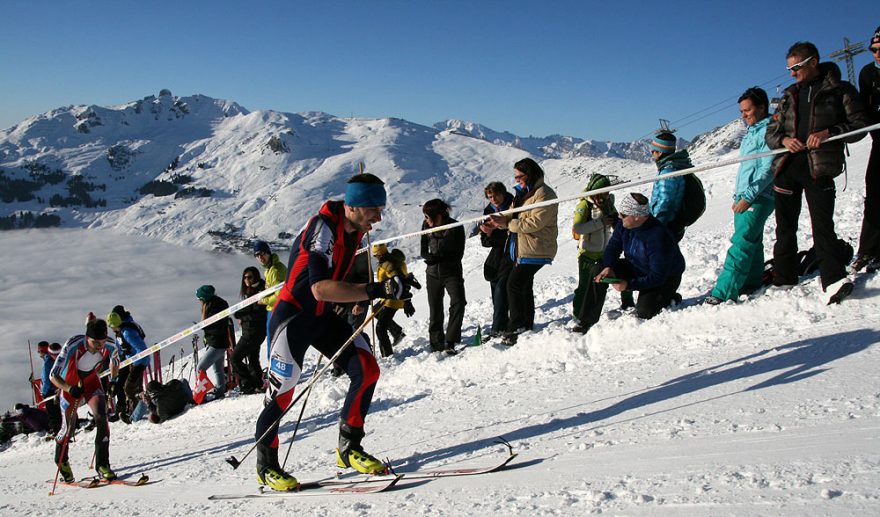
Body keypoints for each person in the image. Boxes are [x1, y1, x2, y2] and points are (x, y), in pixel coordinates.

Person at [254, 173, 414, 491]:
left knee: (367, 368)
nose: (379, 217)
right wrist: (376, 289)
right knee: (283, 392)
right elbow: (318, 288)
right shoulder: (323, 229)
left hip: (323, 317)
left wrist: (383, 286)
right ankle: (266, 466)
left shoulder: (355, 228)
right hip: (293, 318)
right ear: (354, 206)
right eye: (374, 209)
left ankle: (349, 448)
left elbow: (343, 277)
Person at [765, 41, 868, 304]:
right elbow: (771, 133)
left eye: (796, 67)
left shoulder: (839, 90)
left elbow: (860, 125)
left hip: (818, 168)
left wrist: (829, 133)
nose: (792, 73)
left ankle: (833, 279)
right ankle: (784, 277)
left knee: (822, 224)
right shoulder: (789, 95)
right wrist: (784, 142)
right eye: (789, 68)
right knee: (784, 226)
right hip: (788, 167)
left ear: (813, 62)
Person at [575, 193, 686, 334]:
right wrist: (608, 266)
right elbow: (614, 246)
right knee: (598, 269)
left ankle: (671, 297)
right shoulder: (624, 224)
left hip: (664, 278)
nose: (619, 217)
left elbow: (658, 276)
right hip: (636, 266)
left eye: (623, 214)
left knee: (645, 311)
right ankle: (585, 321)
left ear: (637, 216)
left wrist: (628, 285)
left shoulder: (658, 237)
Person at [705, 87, 776, 304]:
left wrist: (749, 196)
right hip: (746, 195)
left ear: (762, 107)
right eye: (741, 111)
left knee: (741, 243)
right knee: (751, 241)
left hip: (758, 196)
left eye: (747, 110)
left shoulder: (769, 131)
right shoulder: (752, 132)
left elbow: (769, 168)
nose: (743, 116)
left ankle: (723, 292)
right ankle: (752, 281)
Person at [485, 158, 558, 346]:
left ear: (530, 173)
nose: (517, 180)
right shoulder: (522, 194)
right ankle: (525, 323)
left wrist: (507, 224)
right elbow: (511, 214)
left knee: (513, 284)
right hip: (520, 248)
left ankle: (516, 326)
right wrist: (495, 223)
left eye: (520, 176)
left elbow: (535, 223)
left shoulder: (544, 194)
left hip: (536, 247)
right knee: (523, 286)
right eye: (515, 177)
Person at [50, 318, 120, 482]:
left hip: (91, 382)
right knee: (68, 427)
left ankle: (103, 465)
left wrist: (114, 381)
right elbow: (53, 375)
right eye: (95, 342)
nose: (99, 346)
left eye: (101, 342)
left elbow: (114, 362)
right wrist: (69, 388)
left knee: (102, 417)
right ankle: (61, 460)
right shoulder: (73, 344)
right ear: (87, 337)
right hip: (70, 384)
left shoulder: (110, 344)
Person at [420, 198, 466, 353]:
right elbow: (423, 250)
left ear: (438, 215)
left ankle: (451, 341)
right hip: (432, 274)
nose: (426, 220)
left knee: (459, 302)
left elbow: (459, 254)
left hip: (452, 272)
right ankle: (436, 345)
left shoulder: (455, 226)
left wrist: (440, 258)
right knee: (435, 310)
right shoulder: (425, 226)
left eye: (428, 216)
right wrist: (429, 257)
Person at [571, 174, 617, 323]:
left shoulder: (608, 203)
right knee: (584, 286)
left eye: (608, 191)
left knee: (606, 281)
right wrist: (599, 223)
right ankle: (578, 315)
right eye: (604, 191)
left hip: (604, 250)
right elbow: (577, 228)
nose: (606, 195)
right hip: (587, 253)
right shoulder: (584, 205)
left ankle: (625, 303)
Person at [853, 26, 880, 273]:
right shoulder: (868, 74)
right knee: (874, 194)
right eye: (874, 49)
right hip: (879, 141)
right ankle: (868, 250)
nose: (877, 54)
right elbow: (865, 110)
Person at [478, 182, 514, 339]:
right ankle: (501, 323)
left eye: (496, 195)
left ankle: (499, 327)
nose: (493, 199)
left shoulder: (514, 206)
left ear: (503, 193)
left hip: (513, 252)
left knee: (501, 288)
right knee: (496, 289)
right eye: (490, 197)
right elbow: (485, 241)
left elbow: (513, 232)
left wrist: (494, 233)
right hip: (497, 257)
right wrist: (491, 233)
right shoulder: (489, 212)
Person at [106, 305, 150, 422]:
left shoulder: (127, 331)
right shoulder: (121, 331)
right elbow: (121, 348)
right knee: (121, 385)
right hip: (127, 360)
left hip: (138, 361)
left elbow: (141, 349)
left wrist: (135, 362)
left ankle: (137, 411)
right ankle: (122, 411)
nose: (111, 329)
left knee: (131, 387)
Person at [372, 243, 414, 357]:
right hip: (388, 298)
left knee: (380, 329)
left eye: (376, 255)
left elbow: (401, 282)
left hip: (392, 301)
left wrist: (407, 301)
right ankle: (396, 332)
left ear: (380, 254)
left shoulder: (388, 264)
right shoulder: (387, 261)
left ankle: (387, 355)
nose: (375, 257)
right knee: (375, 311)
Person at [649, 131, 692, 241]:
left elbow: (666, 201)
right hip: (672, 223)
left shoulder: (667, 171)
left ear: (660, 152)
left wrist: (655, 225)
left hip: (666, 224)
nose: (651, 152)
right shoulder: (674, 166)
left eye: (653, 150)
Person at [232, 267, 268, 393]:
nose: (246, 279)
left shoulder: (259, 291)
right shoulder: (251, 291)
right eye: (245, 277)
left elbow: (257, 313)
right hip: (252, 331)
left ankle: (249, 384)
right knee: (253, 359)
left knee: (235, 358)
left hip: (253, 332)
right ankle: (258, 384)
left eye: (250, 277)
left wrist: (240, 314)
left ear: (255, 277)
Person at [195, 285, 233, 400]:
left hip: (217, 343)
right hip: (218, 342)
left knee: (200, 368)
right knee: (218, 369)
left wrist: (205, 327)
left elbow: (218, 326)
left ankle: (201, 394)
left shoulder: (215, 306)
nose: (199, 302)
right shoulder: (215, 304)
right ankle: (220, 391)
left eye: (200, 299)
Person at [254, 240, 288, 355]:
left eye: (262, 253)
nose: (260, 257)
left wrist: (264, 300)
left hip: (276, 309)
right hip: (274, 308)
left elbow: (279, 295)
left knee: (273, 339)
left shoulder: (275, 270)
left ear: (268, 252)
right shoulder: (269, 269)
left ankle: (272, 366)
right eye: (257, 255)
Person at [37, 341, 62, 433]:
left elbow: (47, 379)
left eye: (39, 351)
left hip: (51, 391)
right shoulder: (54, 359)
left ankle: (57, 430)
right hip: (58, 388)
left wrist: (44, 392)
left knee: (53, 412)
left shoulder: (48, 361)